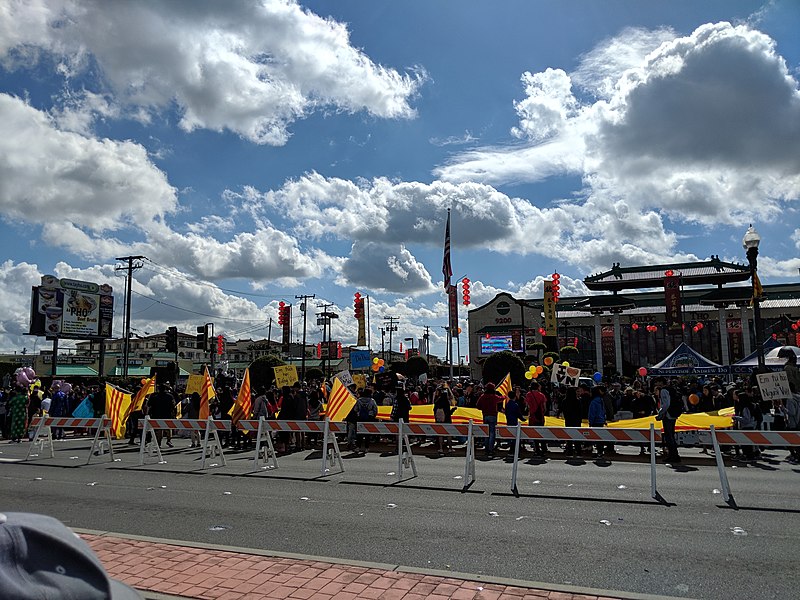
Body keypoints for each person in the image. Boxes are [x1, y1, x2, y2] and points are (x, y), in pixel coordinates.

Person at [655, 379, 681, 463]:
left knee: (669, 436)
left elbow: (666, 404)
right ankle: (675, 455)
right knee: (671, 436)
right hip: (674, 414)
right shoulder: (672, 389)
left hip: (668, 415)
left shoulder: (663, 390)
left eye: (657, 381)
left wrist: (660, 413)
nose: (656, 383)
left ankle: (672, 456)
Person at [476, 383, 503, 457]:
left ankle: (486, 449)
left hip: (485, 416)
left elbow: (478, 405)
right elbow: (501, 398)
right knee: (492, 433)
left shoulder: (483, 396)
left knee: (486, 433)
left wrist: (484, 408)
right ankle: (491, 449)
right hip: (493, 416)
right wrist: (505, 395)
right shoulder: (494, 397)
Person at [524, 382, 548, 456]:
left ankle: (537, 449)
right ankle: (544, 448)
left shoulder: (528, 394)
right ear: (538, 387)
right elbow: (545, 407)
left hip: (532, 416)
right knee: (541, 433)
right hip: (540, 416)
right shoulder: (542, 395)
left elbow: (527, 406)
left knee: (534, 434)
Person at [433, 385, 456, 454]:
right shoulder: (446, 402)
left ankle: (441, 448)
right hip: (447, 420)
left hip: (439, 420)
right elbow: (448, 413)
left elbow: (434, 410)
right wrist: (453, 410)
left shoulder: (437, 401)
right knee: (448, 434)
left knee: (440, 434)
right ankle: (450, 448)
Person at [354, 388, 378, 453]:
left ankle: (358, 447)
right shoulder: (372, 400)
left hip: (360, 418)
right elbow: (375, 409)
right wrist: (374, 415)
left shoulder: (359, 400)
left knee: (359, 433)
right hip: (369, 418)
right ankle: (367, 448)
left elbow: (355, 409)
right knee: (367, 434)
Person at [561, 386, 583, 456]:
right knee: (577, 436)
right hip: (576, 420)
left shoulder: (564, 401)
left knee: (569, 436)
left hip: (568, 420)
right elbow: (580, 411)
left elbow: (563, 410)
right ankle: (578, 451)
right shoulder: (577, 401)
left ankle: (569, 450)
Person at [587, 386, 607, 458]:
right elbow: (603, 411)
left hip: (595, 421)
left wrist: (590, 422)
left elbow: (592, 413)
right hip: (601, 420)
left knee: (596, 437)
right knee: (600, 438)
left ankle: (598, 452)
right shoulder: (601, 400)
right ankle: (600, 452)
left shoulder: (593, 402)